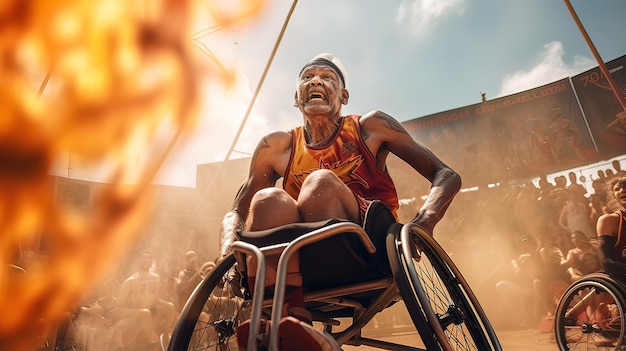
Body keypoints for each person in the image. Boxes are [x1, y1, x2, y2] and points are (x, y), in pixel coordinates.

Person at [218, 53, 461, 348]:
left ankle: (294, 318)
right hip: (297, 262)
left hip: (368, 251)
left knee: (320, 182)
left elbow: (446, 175)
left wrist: (423, 223)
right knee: (267, 200)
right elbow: (236, 211)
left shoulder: (369, 127)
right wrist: (227, 252)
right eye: (308, 77)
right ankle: (294, 324)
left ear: (344, 96)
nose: (316, 80)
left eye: (327, 77)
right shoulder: (277, 146)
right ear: (296, 96)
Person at [115, 250, 177, 346]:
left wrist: (167, 304)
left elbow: (156, 299)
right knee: (145, 312)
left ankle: (165, 339)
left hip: (153, 312)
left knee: (170, 306)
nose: (145, 260)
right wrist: (136, 312)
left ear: (151, 261)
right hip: (139, 314)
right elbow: (118, 308)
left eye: (148, 258)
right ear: (138, 261)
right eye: (143, 258)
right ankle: (150, 343)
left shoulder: (156, 277)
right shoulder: (131, 281)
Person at [596, 176, 626, 284]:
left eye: (625, 187)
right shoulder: (609, 220)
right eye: (617, 189)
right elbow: (606, 263)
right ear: (614, 196)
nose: (622, 190)